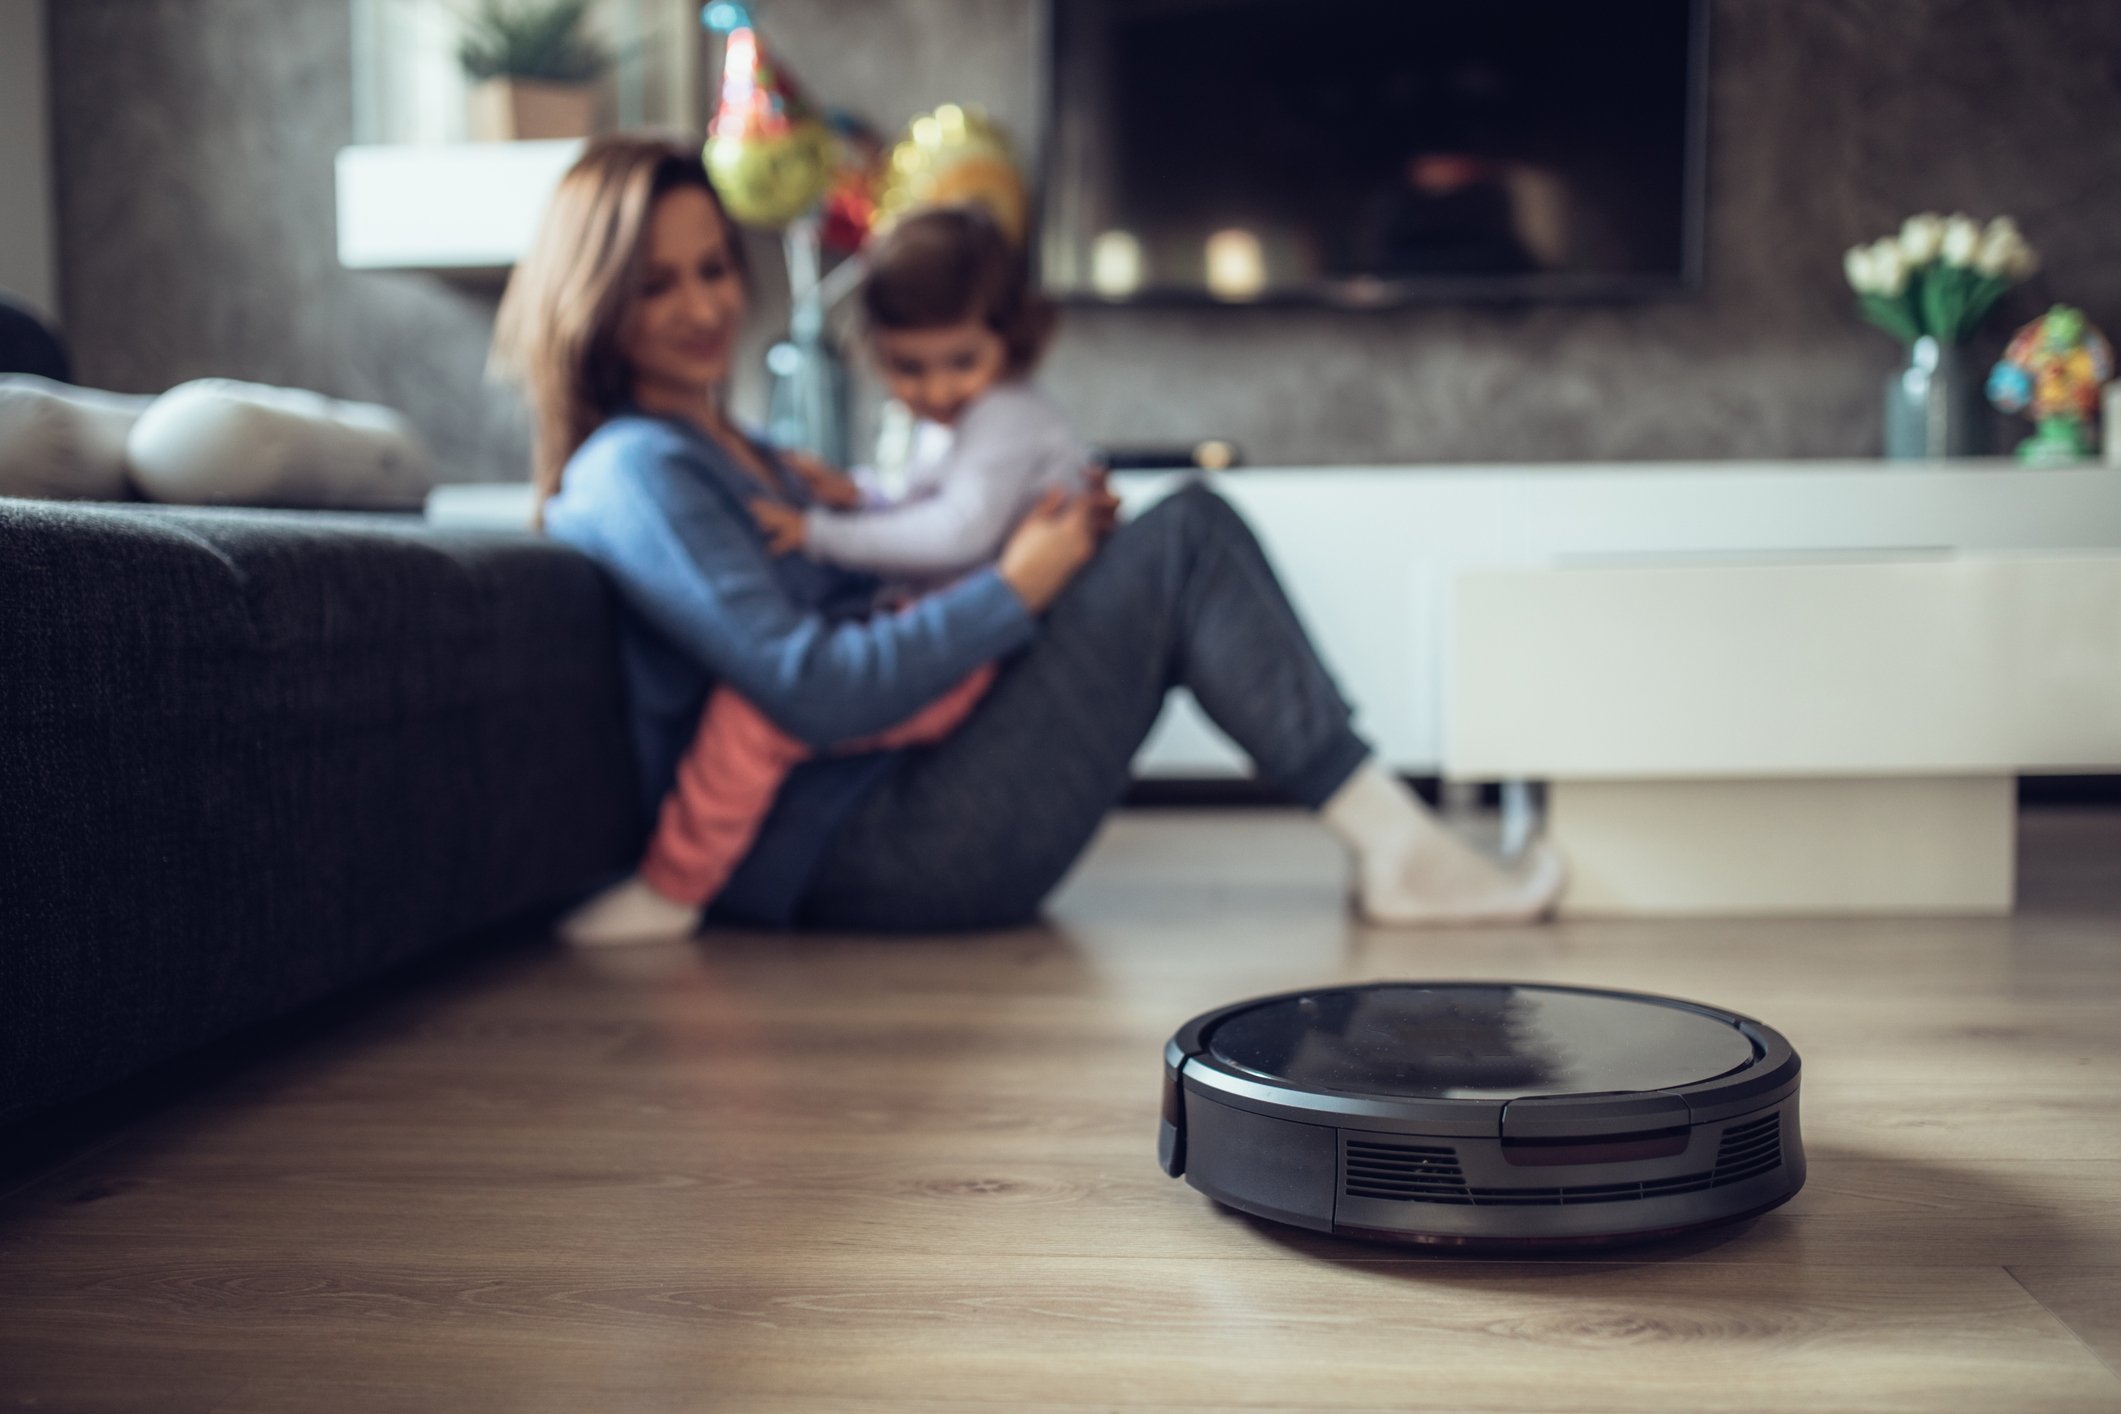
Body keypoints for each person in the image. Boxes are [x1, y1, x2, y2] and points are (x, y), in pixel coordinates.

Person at [489, 134, 1563, 943]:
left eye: (713, 268)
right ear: (592, 296)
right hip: (859, 846)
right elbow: (808, 688)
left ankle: (1396, 840)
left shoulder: (745, 453)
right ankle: (1399, 846)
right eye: (656, 282)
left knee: (1181, 527)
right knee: (1185, 537)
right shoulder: (638, 470)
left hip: (902, 780)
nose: (703, 305)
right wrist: (1020, 586)